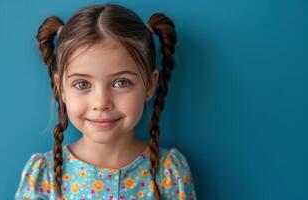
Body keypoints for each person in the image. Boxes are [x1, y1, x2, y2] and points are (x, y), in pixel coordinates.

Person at [15, 3, 197, 200]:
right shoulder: (44, 176)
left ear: (150, 85)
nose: (101, 102)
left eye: (121, 82)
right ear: (61, 88)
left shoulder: (169, 173)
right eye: (82, 84)